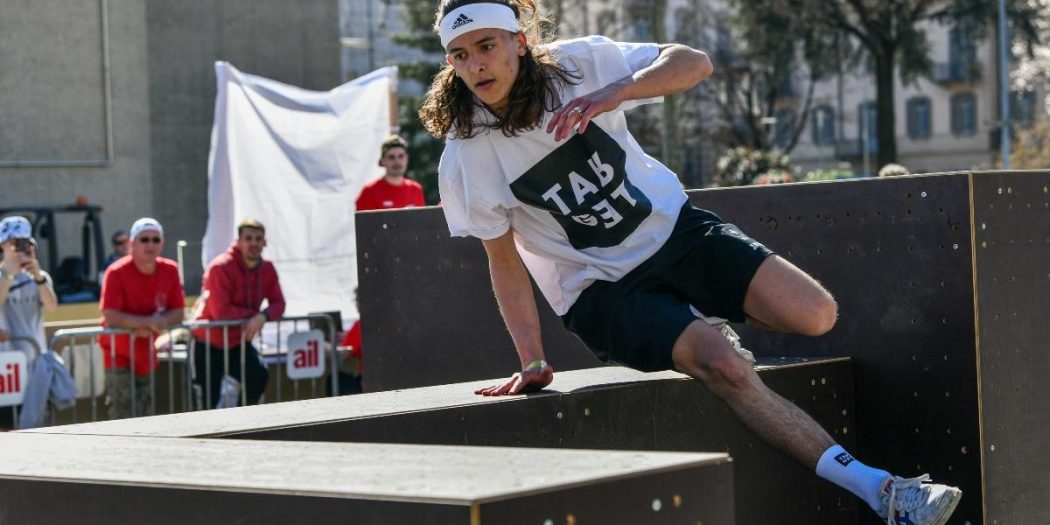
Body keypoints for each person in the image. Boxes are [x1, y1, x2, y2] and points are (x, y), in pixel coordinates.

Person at [420, 2, 961, 524]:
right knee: (726, 366)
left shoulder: (578, 64)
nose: (476, 65)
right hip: (600, 290)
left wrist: (617, 93)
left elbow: (693, 62)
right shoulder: (467, 152)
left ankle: (705, 315)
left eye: (486, 46)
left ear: (520, 41)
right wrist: (532, 359)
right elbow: (504, 260)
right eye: (460, 55)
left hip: (675, 231)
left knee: (816, 314)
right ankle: (883, 492)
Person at [191, 219, 285, 408]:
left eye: (258, 239)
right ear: (238, 241)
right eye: (248, 238)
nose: (253, 243)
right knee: (205, 401)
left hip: (237, 342)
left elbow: (279, 303)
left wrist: (263, 317)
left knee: (258, 375)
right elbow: (221, 312)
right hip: (208, 343)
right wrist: (254, 316)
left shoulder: (267, 269)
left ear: (264, 242)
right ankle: (203, 435)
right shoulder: (220, 267)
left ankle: (243, 425)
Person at [99, 217, 185, 419]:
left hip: (146, 351)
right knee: (123, 411)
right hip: (117, 352)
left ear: (162, 244)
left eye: (156, 240)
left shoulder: (170, 270)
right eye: (144, 239)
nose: (150, 244)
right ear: (132, 244)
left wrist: (158, 323)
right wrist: (149, 323)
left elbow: (178, 312)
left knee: (145, 411)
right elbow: (110, 315)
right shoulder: (116, 272)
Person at [0, 216, 59, 428]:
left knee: (36, 426)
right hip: (6, 368)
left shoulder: (39, 276)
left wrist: (38, 277)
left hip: (34, 364)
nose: (20, 249)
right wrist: (8, 274)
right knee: (7, 426)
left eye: (25, 243)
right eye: (14, 243)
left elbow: (52, 307)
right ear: (3, 245)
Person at [355, 135, 427, 211]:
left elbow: (421, 221)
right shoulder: (369, 192)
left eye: (401, 156)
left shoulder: (416, 189)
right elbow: (363, 222)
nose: (397, 162)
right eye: (391, 157)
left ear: (407, 158)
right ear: (382, 161)